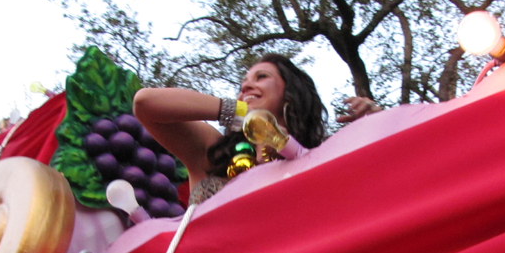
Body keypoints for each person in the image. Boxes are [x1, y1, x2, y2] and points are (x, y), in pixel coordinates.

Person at [133, 53, 381, 204]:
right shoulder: (212, 149)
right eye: (243, 83)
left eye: (261, 77)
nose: (247, 86)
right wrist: (242, 112)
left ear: (290, 93)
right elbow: (145, 103)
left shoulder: (324, 152)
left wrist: (379, 122)